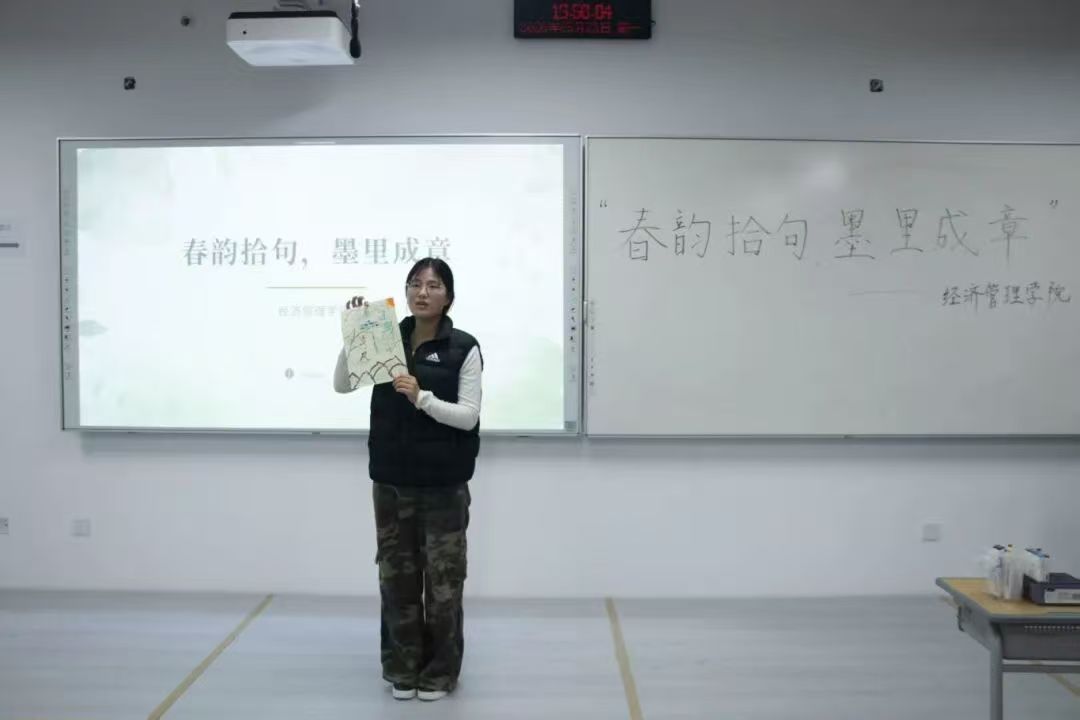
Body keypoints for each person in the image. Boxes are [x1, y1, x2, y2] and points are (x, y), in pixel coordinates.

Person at [333, 258, 482, 702]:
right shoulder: (386, 337)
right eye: (415, 284)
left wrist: (423, 398)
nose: (422, 292)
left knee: (443, 585)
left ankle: (439, 673)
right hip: (392, 483)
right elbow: (343, 385)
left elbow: (469, 416)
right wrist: (353, 336)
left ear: (448, 296)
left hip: (444, 486)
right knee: (396, 582)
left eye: (433, 285)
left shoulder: (463, 347)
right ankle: (402, 669)